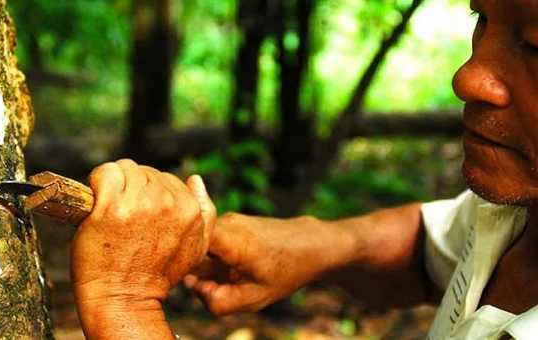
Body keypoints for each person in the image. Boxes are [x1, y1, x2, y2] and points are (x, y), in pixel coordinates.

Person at [70, 0, 538, 338]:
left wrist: (124, 307)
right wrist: (314, 246)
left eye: (535, 45)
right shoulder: (519, 211)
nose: (468, 76)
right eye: (483, 19)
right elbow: (430, 247)